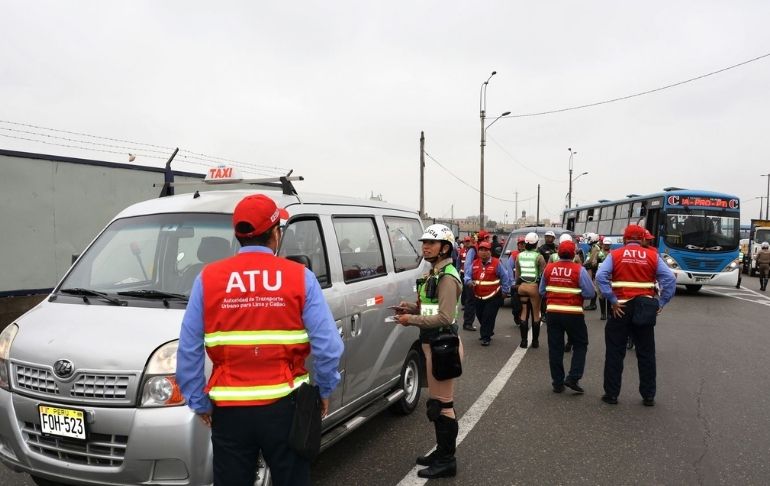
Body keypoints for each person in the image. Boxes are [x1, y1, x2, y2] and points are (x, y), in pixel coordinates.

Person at [177, 194, 344, 486]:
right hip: (286, 406)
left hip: (229, 411)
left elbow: (188, 349)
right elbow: (328, 347)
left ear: (238, 235)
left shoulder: (208, 278)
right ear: (276, 233)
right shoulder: (300, 277)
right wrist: (325, 389)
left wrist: (199, 402)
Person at [395, 224, 463, 479]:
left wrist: (410, 320)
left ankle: (447, 460)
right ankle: (441, 453)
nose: (425, 246)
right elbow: (432, 309)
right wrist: (411, 308)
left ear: (445, 248)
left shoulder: (446, 276)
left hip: (442, 346)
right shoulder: (435, 272)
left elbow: (445, 316)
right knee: (438, 403)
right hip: (432, 343)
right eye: (424, 242)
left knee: (442, 406)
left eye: (431, 243)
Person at [595, 224, 676, 407]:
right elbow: (669, 280)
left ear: (624, 239)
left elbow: (601, 276)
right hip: (645, 308)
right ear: (642, 239)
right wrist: (661, 302)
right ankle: (648, 395)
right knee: (646, 353)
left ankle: (612, 394)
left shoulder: (614, 255)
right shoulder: (652, 256)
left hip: (620, 307)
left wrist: (612, 299)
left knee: (615, 352)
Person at [540, 240, 595, 394]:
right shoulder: (579, 270)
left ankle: (557, 383)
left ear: (558, 253)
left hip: (553, 313)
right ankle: (573, 377)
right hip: (573, 313)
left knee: (555, 348)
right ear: (573, 254)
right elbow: (590, 293)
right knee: (580, 344)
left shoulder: (549, 268)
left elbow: (542, 291)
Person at [466, 241, 512, 346]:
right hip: (478, 295)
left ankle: (485, 337)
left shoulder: (496, 263)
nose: (483, 252)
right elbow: (467, 276)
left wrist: (505, 291)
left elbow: (505, 277)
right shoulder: (474, 263)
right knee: (480, 315)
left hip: (493, 296)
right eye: (481, 250)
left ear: (490, 252)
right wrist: (469, 282)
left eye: (486, 250)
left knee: (488, 316)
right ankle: (488, 330)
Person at [515, 232, 547, 348]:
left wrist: (517, 285)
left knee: (524, 312)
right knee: (536, 313)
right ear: (536, 243)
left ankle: (523, 342)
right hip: (534, 287)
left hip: (522, 287)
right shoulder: (539, 256)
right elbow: (543, 274)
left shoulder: (519, 255)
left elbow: (517, 274)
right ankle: (535, 342)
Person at [462, 230, 492, 331]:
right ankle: (467, 323)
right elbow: (467, 265)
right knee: (471, 302)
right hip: (472, 280)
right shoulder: (474, 249)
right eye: (487, 238)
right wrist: (468, 279)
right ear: (484, 239)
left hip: (478, 280)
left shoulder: (481, 249)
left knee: (476, 302)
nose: (489, 240)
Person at [508, 236, 527, 326]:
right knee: (515, 304)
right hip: (516, 283)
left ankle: (523, 319)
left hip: (526, 282)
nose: (522, 245)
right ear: (518, 245)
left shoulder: (529, 254)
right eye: (520, 244)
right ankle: (516, 315)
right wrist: (512, 282)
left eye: (524, 243)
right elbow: (509, 268)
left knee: (525, 303)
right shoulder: (514, 255)